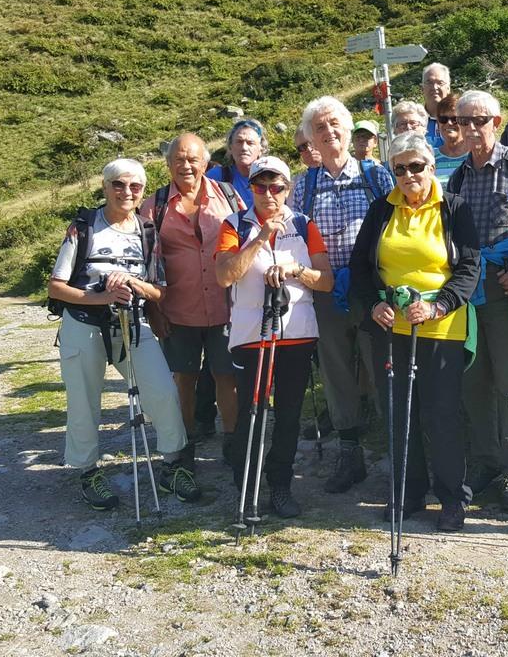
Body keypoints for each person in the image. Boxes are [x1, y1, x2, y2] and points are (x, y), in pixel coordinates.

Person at [48, 158, 200, 509]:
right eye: (118, 184)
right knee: (85, 402)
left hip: (133, 323)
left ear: (142, 191)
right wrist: (102, 296)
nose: (126, 192)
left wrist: (133, 283)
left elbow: (159, 291)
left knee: (162, 391)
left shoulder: (147, 231)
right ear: (105, 187)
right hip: (84, 324)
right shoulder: (84, 226)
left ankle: (173, 465)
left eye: (135, 187)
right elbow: (56, 287)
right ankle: (88, 472)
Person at [349, 132, 480, 531]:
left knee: (442, 415)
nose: (408, 175)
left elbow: (470, 267)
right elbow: (359, 268)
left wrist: (439, 305)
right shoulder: (381, 210)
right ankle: (407, 492)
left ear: (430, 165)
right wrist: (374, 304)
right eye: (399, 168)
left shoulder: (453, 207)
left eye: (416, 166)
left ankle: (452, 498)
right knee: (398, 412)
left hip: (441, 327)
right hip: (391, 329)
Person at [215, 156, 333, 518]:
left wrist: (297, 270)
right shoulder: (233, 224)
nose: (269, 194)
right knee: (251, 413)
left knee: (289, 415)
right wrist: (260, 237)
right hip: (251, 334)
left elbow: (325, 280)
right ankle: (246, 485)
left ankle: (280, 486)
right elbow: (225, 275)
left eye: (276, 186)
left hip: (296, 332)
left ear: (288, 189)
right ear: (250, 188)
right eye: (260, 186)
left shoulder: (304, 224)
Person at [448, 90, 508, 511]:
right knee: (474, 379)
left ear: (498, 122)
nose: (471, 129)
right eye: (463, 121)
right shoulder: (457, 178)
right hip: (471, 288)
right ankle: (486, 460)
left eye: (479, 121)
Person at [291, 96, 395, 493]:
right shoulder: (306, 185)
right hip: (326, 290)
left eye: (335, 124)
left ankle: (395, 458)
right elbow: (298, 238)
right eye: (320, 128)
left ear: (349, 129)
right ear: (311, 138)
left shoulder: (376, 176)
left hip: (371, 289)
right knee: (336, 373)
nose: (329, 132)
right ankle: (349, 454)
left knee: (381, 367)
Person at [140, 133, 242, 463]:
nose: (186, 165)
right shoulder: (153, 206)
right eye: (179, 159)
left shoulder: (228, 196)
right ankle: (185, 446)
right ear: (168, 164)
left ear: (205, 163)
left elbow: (245, 242)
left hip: (227, 307)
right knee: (183, 379)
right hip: (177, 310)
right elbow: (144, 263)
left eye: (193, 159)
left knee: (227, 376)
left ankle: (232, 443)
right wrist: (153, 310)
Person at [206, 119, 266, 209]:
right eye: (239, 142)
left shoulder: (271, 179)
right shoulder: (216, 177)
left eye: (250, 143)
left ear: (261, 149)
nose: (244, 148)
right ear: (230, 147)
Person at [432, 93, 469, 187]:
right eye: (443, 119)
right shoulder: (430, 157)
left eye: (454, 119)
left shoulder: (475, 156)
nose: (449, 123)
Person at [421, 62, 452, 148]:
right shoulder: (415, 120)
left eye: (440, 83)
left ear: (448, 88)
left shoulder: (459, 118)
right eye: (429, 82)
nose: (434, 87)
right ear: (422, 88)